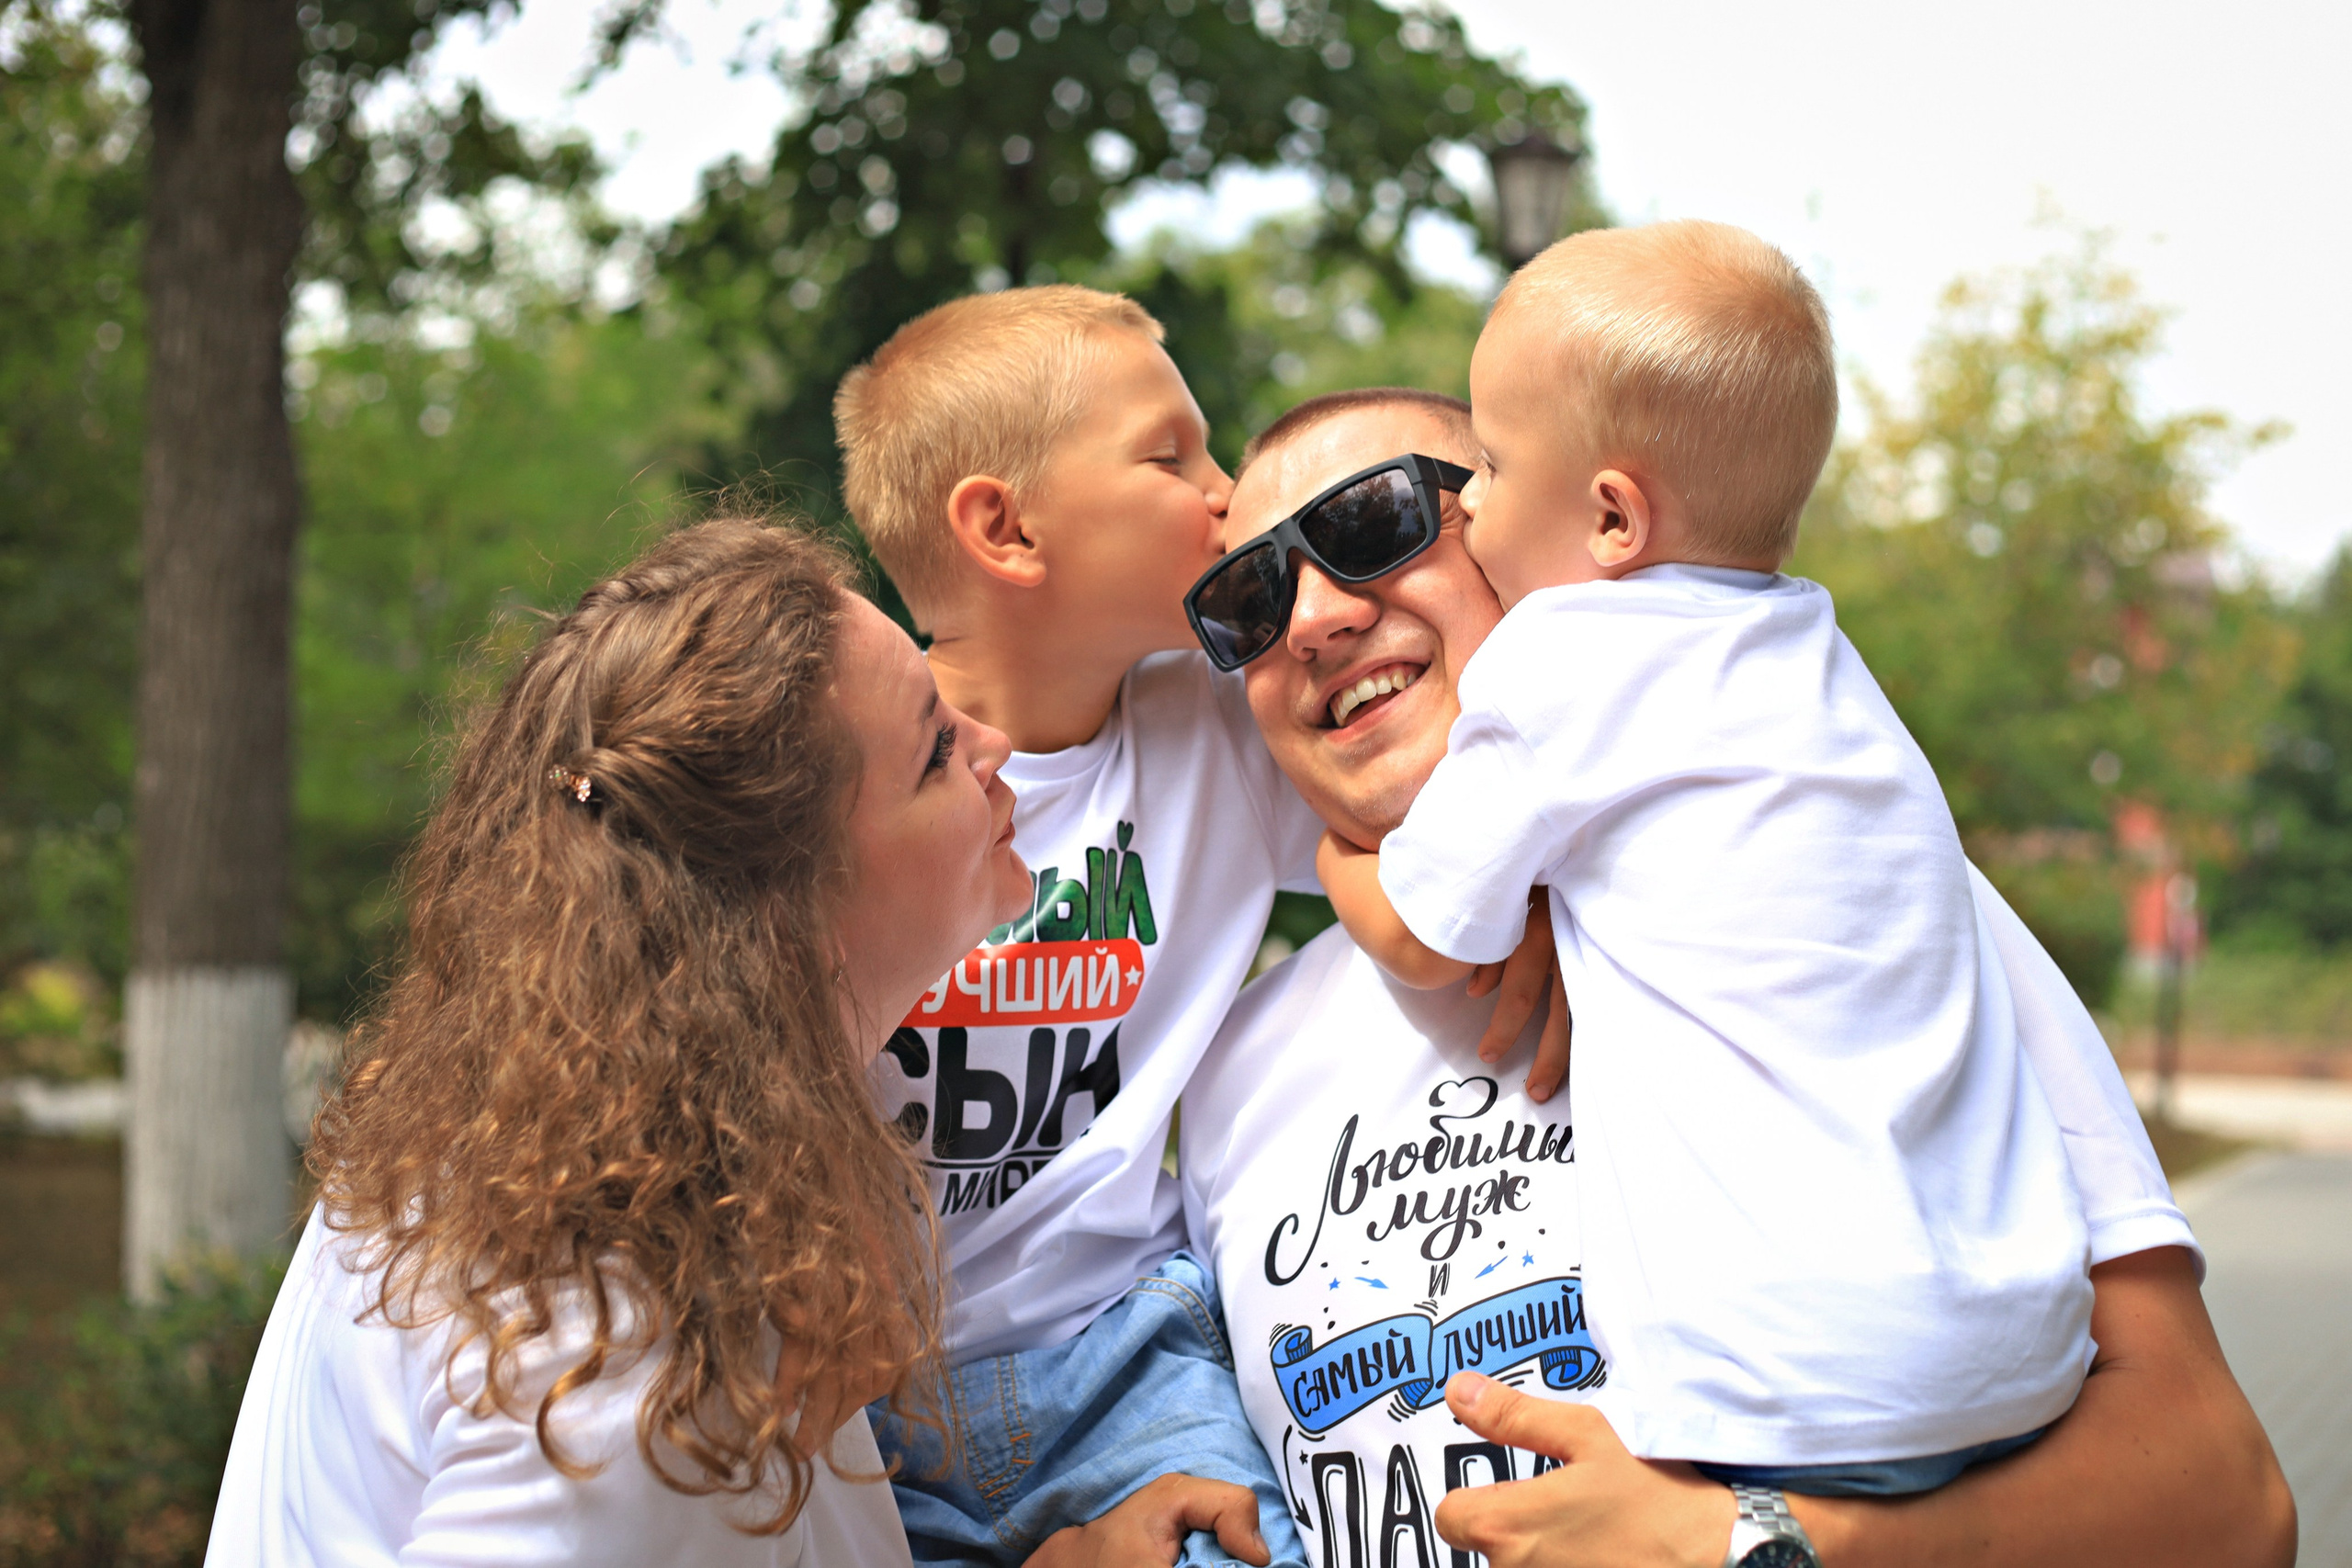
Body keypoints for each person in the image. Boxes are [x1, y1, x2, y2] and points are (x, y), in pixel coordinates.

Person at [1179, 388, 2294, 1568]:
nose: (1311, 618)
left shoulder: (1864, 890)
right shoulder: (1224, 1068)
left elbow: (2226, 1502)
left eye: (1372, 525)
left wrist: (1757, 1543)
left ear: (1540, 546)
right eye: (1248, 598)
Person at [206, 520, 1274, 1568]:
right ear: (785, 915)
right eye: (936, 751)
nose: (994, 746)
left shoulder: (576, 1162)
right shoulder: (618, 1352)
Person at [1302, 221, 2087, 1495]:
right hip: (2018, 1341)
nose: (1467, 501)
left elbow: (1422, 935)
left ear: (1612, 517)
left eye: (1490, 464)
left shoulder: (1562, 659)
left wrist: (1342, 853)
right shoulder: (1818, 658)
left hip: (1794, 1370)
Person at [831, 286, 1565, 1567]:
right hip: (861, 1395)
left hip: (1123, 1350)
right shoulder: (858, 787)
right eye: (1173, 457)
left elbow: (1376, 809)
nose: (1227, 499)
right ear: (1006, 529)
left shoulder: (1213, 726)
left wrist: (1501, 906)